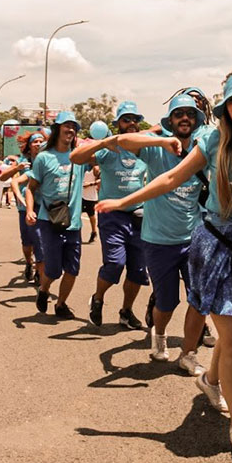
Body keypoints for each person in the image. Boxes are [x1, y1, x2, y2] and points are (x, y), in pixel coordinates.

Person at [99, 72, 232, 454]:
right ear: (226, 108)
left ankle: (210, 381)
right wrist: (123, 201)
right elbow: (171, 177)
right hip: (218, 245)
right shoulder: (215, 140)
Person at [97, 94, 209, 373]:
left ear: (196, 120)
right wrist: (160, 139)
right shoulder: (155, 149)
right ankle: (159, 335)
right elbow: (122, 141)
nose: (185, 118)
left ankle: (189, 353)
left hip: (193, 237)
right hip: (158, 240)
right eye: (178, 113)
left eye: (189, 114)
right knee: (168, 300)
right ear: (170, 120)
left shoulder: (203, 148)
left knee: (199, 298)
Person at [76, 101, 150, 330]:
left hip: (139, 215)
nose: (131, 124)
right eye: (126, 120)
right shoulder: (108, 151)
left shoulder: (145, 149)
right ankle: (97, 299)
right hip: (112, 215)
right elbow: (77, 157)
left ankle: (126, 312)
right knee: (115, 264)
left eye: (134, 120)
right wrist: (104, 142)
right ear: (117, 123)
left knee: (138, 271)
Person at [27, 112, 88, 319]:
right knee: (53, 270)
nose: (71, 129)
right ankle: (44, 290)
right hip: (49, 221)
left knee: (73, 269)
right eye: (66, 125)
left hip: (73, 223)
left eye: (74, 126)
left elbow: (100, 162)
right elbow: (31, 187)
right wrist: (29, 210)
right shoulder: (44, 158)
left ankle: (61, 304)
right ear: (57, 129)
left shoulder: (79, 156)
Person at [1, 131, 46, 283]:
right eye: (35, 142)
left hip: (43, 205)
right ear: (29, 145)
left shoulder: (47, 159)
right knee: (27, 242)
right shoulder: (23, 161)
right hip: (24, 207)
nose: (38, 144)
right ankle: (29, 263)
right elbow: (4, 178)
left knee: (40, 240)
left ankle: (40, 273)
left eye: (41, 141)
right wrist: (16, 168)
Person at [81, 165, 99, 244]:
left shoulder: (96, 168)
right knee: (77, 215)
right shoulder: (82, 166)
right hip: (81, 195)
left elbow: (100, 180)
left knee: (91, 215)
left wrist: (90, 184)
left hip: (91, 196)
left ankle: (94, 232)